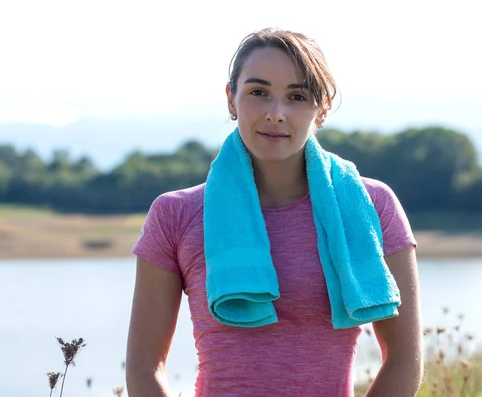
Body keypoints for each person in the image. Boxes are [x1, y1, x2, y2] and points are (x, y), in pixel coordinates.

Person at [125, 27, 423, 397]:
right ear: (231, 99)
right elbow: (143, 367)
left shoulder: (373, 205)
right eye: (258, 92)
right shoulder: (174, 214)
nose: (275, 113)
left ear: (322, 109)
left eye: (296, 96)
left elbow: (404, 358)